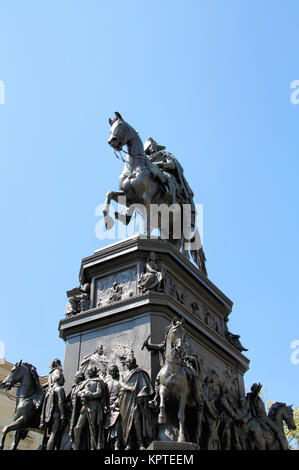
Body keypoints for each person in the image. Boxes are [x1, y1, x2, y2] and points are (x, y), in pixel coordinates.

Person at [118, 355, 155, 450]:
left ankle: (141, 443)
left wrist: (141, 396)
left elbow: (145, 387)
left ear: (133, 363)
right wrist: (128, 388)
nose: (126, 364)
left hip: (135, 399)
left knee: (136, 419)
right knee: (125, 422)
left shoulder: (140, 373)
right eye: (126, 362)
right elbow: (120, 383)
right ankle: (129, 443)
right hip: (124, 400)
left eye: (128, 362)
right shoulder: (123, 374)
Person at [247, 383, 288, 450]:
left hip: (265, 418)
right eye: (256, 388)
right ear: (254, 390)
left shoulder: (258, 398)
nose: (258, 391)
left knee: (278, 431)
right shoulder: (253, 397)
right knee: (279, 432)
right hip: (262, 419)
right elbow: (254, 396)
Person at [72, 365, 104, 450]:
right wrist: (82, 393)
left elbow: (99, 393)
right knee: (77, 428)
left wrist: (91, 395)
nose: (87, 372)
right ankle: (76, 447)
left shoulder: (98, 381)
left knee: (92, 428)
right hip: (84, 407)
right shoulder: (85, 382)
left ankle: (93, 448)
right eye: (87, 371)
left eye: (89, 371)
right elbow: (77, 391)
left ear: (94, 372)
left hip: (93, 407)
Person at [40, 360, 66, 450]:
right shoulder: (59, 388)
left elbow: (43, 406)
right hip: (56, 414)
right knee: (53, 434)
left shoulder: (49, 390)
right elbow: (60, 402)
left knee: (48, 433)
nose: (64, 380)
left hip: (48, 414)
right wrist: (63, 414)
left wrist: (42, 419)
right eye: (63, 378)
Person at [104, 364, 124, 450]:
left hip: (117, 408)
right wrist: (105, 405)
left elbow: (122, 394)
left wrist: (116, 402)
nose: (111, 373)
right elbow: (104, 396)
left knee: (117, 428)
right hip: (108, 409)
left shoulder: (120, 381)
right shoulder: (107, 382)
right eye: (110, 371)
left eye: (113, 371)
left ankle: (118, 445)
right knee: (108, 430)